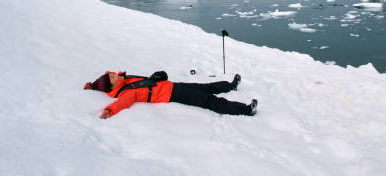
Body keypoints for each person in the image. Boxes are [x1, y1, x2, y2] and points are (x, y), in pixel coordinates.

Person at [84, 71, 258, 118]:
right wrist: (109, 111)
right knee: (209, 101)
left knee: (205, 87)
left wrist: (92, 86)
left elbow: (112, 77)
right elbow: (121, 104)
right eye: (112, 78)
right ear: (112, 86)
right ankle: (246, 110)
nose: (115, 75)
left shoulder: (124, 80)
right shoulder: (125, 93)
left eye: (113, 75)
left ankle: (230, 86)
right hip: (172, 94)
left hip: (171, 86)